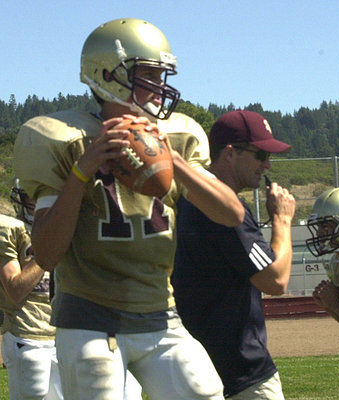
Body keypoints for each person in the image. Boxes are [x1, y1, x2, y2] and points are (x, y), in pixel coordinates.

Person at [14, 18, 244, 400]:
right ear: (106, 74)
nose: (159, 87)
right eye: (148, 74)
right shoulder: (64, 139)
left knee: (203, 392)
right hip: (89, 315)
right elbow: (48, 251)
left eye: (161, 75)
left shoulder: (178, 136)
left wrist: (175, 162)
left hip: (160, 312)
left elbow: (231, 214)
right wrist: (80, 173)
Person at [172, 110, 296, 399]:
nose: (267, 164)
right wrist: (282, 220)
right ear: (229, 153)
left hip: (192, 366)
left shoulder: (187, 199)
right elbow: (275, 280)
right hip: (240, 369)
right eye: (260, 154)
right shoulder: (225, 209)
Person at [0, 179, 63, 400]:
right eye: (33, 195)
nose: (39, 202)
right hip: (27, 334)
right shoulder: (9, 228)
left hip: (63, 333)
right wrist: (47, 250)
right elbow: (15, 290)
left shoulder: (65, 227)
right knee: (32, 395)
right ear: (21, 197)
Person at [306, 187, 339, 327]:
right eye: (319, 226)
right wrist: (329, 306)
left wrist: (334, 305)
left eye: (325, 226)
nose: (319, 233)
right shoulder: (337, 261)